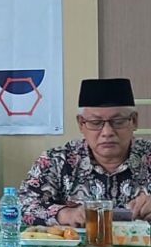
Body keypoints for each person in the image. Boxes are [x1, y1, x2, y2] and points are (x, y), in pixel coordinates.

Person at [19, 78, 151, 226]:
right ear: (81, 124)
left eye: (118, 122)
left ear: (134, 121)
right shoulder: (56, 160)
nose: (107, 132)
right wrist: (64, 214)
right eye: (96, 123)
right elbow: (21, 205)